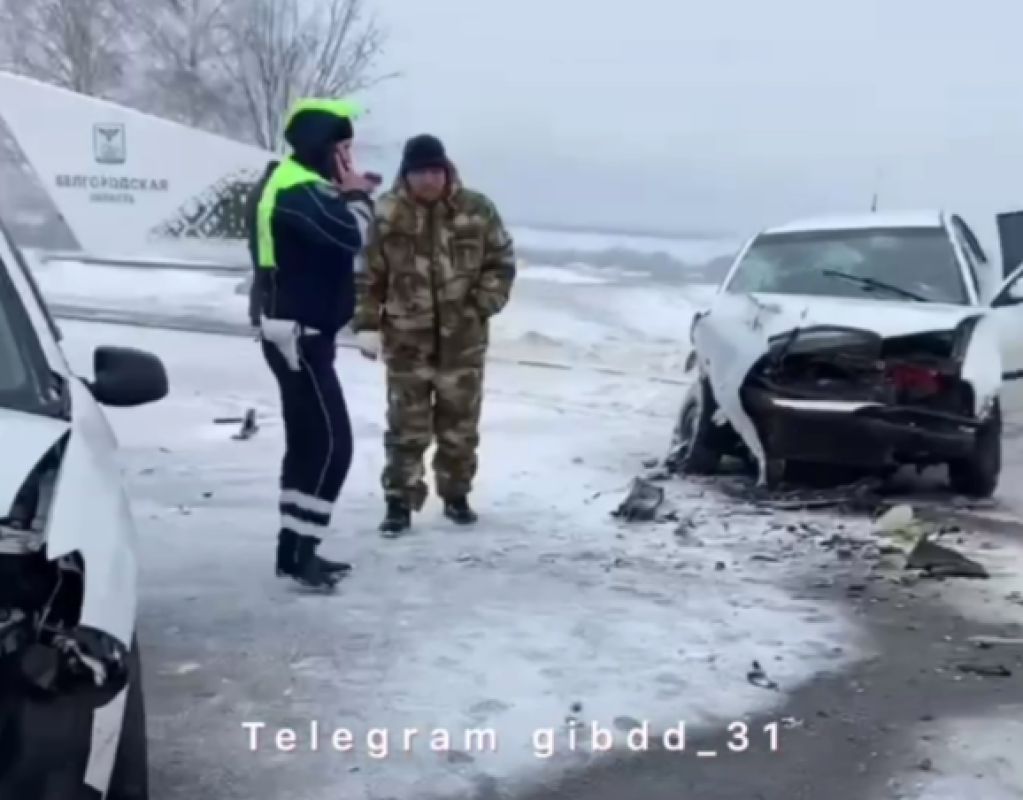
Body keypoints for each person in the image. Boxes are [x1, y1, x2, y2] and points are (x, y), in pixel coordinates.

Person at [353, 134, 516, 534]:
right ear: (406, 175)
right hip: (408, 342)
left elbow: (501, 263)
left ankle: (456, 494)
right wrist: (367, 324)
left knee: (459, 425)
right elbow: (367, 276)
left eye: (435, 171)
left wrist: (481, 305)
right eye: (420, 172)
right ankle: (399, 502)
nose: (429, 179)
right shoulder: (388, 215)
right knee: (406, 428)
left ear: (447, 171)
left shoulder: (476, 210)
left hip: (463, 343)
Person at [253, 97, 377, 589]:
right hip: (298, 339)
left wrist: (347, 193)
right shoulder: (296, 191)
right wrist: (356, 197)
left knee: (308, 444)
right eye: (344, 148)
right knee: (332, 445)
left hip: (300, 336)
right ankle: (302, 551)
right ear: (323, 147)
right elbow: (355, 237)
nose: (349, 158)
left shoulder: (299, 186)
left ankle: (295, 551)